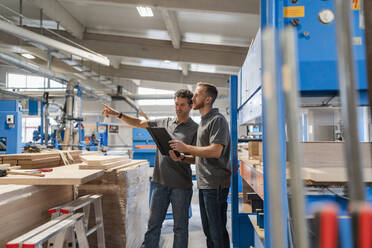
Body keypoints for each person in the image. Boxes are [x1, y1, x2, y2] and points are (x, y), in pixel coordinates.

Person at [102, 89, 198, 248]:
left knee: (180, 228)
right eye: (176, 104)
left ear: (190, 106)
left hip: (181, 186)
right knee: (153, 225)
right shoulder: (164, 122)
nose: (178, 108)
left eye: (182, 105)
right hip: (160, 184)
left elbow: (196, 158)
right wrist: (118, 115)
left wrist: (182, 157)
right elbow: (139, 123)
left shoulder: (195, 129)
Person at [169, 82, 231, 248]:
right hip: (205, 184)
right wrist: (183, 157)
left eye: (197, 95)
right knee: (209, 232)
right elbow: (200, 156)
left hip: (215, 185)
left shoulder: (218, 120)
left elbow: (216, 151)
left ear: (208, 99)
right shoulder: (204, 121)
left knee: (217, 232)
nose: (193, 98)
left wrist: (187, 148)